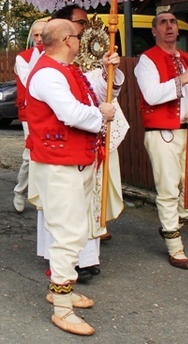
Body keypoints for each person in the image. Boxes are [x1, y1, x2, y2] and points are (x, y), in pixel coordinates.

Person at [26, 19, 116, 336]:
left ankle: (62, 288)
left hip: (73, 161)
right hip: (57, 163)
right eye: (77, 36)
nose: (80, 40)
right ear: (67, 39)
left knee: (75, 231)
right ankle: (62, 308)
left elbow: (94, 95)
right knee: (68, 233)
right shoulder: (49, 73)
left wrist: (109, 73)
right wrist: (101, 116)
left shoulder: (67, 70)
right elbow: (71, 113)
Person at [134, 11, 188, 270]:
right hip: (161, 133)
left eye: (172, 22)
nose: (169, 26)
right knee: (168, 190)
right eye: (163, 23)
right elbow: (152, 95)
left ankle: (170, 225)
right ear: (154, 31)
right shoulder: (146, 60)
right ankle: (175, 247)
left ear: (178, 30)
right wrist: (182, 80)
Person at [12, 19, 46, 213]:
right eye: (36, 35)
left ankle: (42, 194)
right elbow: (31, 82)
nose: (40, 39)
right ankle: (20, 190)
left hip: (52, 112)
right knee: (30, 155)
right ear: (32, 37)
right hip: (30, 112)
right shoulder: (23, 58)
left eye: (43, 35)